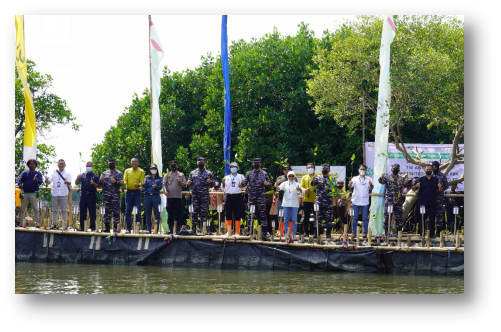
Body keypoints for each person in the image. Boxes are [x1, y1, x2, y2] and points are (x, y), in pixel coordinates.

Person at [241, 158, 272, 241]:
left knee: (263, 215)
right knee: (250, 214)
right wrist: (246, 186)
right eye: (254, 163)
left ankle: (264, 233)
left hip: (261, 197)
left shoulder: (264, 173)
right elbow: (244, 185)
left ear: (260, 164)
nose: (256, 164)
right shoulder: (249, 174)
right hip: (251, 197)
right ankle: (249, 232)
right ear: (252, 164)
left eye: (257, 163)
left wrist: (267, 184)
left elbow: (270, 185)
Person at [378, 164, 411, 237]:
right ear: (391, 170)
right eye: (394, 168)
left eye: (396, 169)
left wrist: (407, 181)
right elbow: (381, 181)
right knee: (387, 216)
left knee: (398, 216)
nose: (395, 170)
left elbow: (406, 185)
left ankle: (398, 233)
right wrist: (381, 177)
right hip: (389, 200)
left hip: (398, 201)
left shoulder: (401, 179)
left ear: (399, 170)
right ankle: (387, 232)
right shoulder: (387, 178)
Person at [412, 164, 443, 238]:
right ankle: (421, 234)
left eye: (430, 169)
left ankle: (431, 234)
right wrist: (416, 186)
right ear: (425, 170)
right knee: (422, 218)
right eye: (427, 169)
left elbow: (438, 191)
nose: (428, 170)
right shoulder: (421, 179)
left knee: (432, 218)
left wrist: (440, 188)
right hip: (422, 202)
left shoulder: (435, 180)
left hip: (432, 202)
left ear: (432, 170)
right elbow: (413, 188)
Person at [187, 157, 214, 234]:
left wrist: (210, 182)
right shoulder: (192, 173)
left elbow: (214, 185)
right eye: (199, 163)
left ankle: (203, 230)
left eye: (201, 163)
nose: (200, 164)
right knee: (195, 213)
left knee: (204, 213)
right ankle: (194, 230)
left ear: (204, 163)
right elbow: (188, 185)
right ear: (197, 163)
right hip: (195, 195)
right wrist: (188, 184)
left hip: (204, 196)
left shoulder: (209, 173)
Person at [276, 170, 303, 240]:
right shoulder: (284, 183)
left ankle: (294, 234)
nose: (291, 177)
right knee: (286, 219)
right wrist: (276, 184)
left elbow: (303, 193)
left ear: (294, 177)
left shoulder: (297, 184)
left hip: (294, 204)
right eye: (289, 176)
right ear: (287, 176)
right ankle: (286, 234)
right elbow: (279, 188)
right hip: (286, 204)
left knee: (294, 219)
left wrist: (299, 189)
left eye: (292, 176)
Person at [45, 159, 72, 230]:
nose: (61, 165)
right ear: (57, 165)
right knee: (55, 210)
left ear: (65, 165)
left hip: (63, 193)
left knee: (64, 210)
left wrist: (67, 182)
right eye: (60, 164)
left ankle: (64, 225)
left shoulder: (68, 173)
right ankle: (54, 224)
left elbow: (70, 183)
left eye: (62, 164)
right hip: (55, 193)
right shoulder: (54, 173)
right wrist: (46, 180)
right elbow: (49, 182)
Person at [99, 158, 124, 233]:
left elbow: (121, 184)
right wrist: (101, 180)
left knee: (116, 212)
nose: (111, 164)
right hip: (106, 195)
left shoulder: (119, 173)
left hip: (115, 195)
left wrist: (115, 182)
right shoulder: (104, 173)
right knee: (106, 212)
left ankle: (116, 228)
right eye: (110, 163)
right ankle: (107, 228)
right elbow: (100, 184)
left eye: (113, 163)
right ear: (108, 164)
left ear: (115, 164)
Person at [349, 164, 374, 237]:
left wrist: (370, 184)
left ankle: (365, 233)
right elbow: (350, 186)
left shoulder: (369, 179)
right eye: (361, 169)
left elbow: (371, 188)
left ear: (366, 171)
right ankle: (354, 233)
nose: (362, 171)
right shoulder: (354, 178)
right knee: (355, 217)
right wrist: (349, 184)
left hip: (365, 201)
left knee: (365, 218)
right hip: (356, 201)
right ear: (358, 170)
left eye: (364, 169)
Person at [17, 159, 43, 228]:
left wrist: (36, 180)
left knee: (36, 209)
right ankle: (20, 223)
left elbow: (41, 182)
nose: (31, 165)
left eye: (33, 164)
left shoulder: (38, 173)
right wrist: (20, 185)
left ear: (35, 165)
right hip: (24, 193)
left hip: (34, 193)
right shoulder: (24, 173)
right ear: (28, 165)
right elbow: (19, 181)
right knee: (21, 209)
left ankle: (37, 224)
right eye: (30, 164)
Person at [310, 164, 334, 238]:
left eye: (326, 168)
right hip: (319, 201)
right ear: (321, 169)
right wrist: (312, 180)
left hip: (328, 202)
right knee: (317, 217)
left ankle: (328, 234)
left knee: (328, 218)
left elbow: (334, 190)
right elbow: (312, 184)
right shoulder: (318, 178)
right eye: (323, 168)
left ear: (329, 170)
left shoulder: (332, 180)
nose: (325, 170)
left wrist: (328, 189)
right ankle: (316, 233)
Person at [163, 160, 187, 234]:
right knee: (170, 213)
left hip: (178, 197)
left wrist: (180, 182)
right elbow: (164, 184)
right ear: (170, 166)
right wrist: (165, 190)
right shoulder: (167, 175)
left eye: (174, 165)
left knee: (178, 213)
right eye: (171, 165)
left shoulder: (181, 174)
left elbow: (185, 185)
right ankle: (170, 229)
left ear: (177, 166)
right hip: (169, 197)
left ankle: (178, 229)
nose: (173, 167)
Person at [75, 161, 100, 231]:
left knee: (92, 212)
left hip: (91, 195)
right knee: (82, 212)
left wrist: (93, 183)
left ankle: (93, 228)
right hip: (83, 195)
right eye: (87, 166)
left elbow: (98, 186)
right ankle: (82, 227)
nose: (88, 167)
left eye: (90, 166)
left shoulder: (95, 176)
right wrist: (77, 177)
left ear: (92, 167)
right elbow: (76, 183)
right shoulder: (82, 175)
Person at [222, 162, 245, 235]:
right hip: (228, 196)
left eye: (235, 167)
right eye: (232, 167)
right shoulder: (226, 177)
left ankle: (237, 232)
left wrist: (242, 185)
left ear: (237, 169)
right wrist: (222, 183)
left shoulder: (241, 177)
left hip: (237, 196)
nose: (233, 168)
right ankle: (228, 231)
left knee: (237, 214)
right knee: (228, 213)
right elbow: (222, 188)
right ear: (229, 169)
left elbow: (245, 187)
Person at [123, 157, 145, 233]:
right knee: (128, 211)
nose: (134, 163)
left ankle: (137, 228)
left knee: (138, 210)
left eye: (135, 161)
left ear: (138, 163)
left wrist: (138, 184)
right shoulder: (127, 171)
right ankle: (128, 228)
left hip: (137, 192)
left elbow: (142, 182)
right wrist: (122, 183)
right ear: (130, 163)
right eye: (132, 162)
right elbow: (125, 181)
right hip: (128, 192)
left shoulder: (141, 171)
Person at [141, 164, 163, 233]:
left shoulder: (159, 178)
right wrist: (142, 189)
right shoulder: (146, 178)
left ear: (156, 170)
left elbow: (160, 187)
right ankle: (149, 229)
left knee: (157, 213)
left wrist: (155, 187)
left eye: (155, 169)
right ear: (150, 170)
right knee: (148, 213)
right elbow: (144, 187)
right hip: (148, 196)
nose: (153, 170)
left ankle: (156, 229)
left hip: (156, 196)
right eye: (152, 169)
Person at [432, 161, 449, 235]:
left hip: (439, 198)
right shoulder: (430, 175)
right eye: (433, 166)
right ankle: (431, 230)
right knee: (431, 214)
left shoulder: (442, 176)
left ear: (438, 167)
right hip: (431, 198)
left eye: (436, 166)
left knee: (439, 214)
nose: (434, 168)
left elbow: (446, 185)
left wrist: (441, 189)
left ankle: (439, 231)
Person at [300, 163, 317, 237]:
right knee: (306, 217)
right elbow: (301, 187)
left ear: (314, 169)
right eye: (309, 168)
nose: (310, 169)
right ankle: (306, 232)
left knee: (316, 217)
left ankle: (316, 232)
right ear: (307, 169)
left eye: (312, 167)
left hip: (316, 200)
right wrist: (305, 190)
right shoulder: (304, 177)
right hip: (306, 200)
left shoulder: (317, 177)